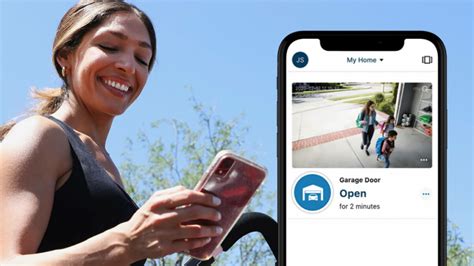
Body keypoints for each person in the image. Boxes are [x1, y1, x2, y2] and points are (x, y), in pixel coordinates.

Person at [0, 1, 223, 265]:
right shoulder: (39, 135)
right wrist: (128, 242)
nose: (128, 66)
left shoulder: (105, 165)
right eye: (109, 47)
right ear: (65, 56)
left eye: (142, 59)